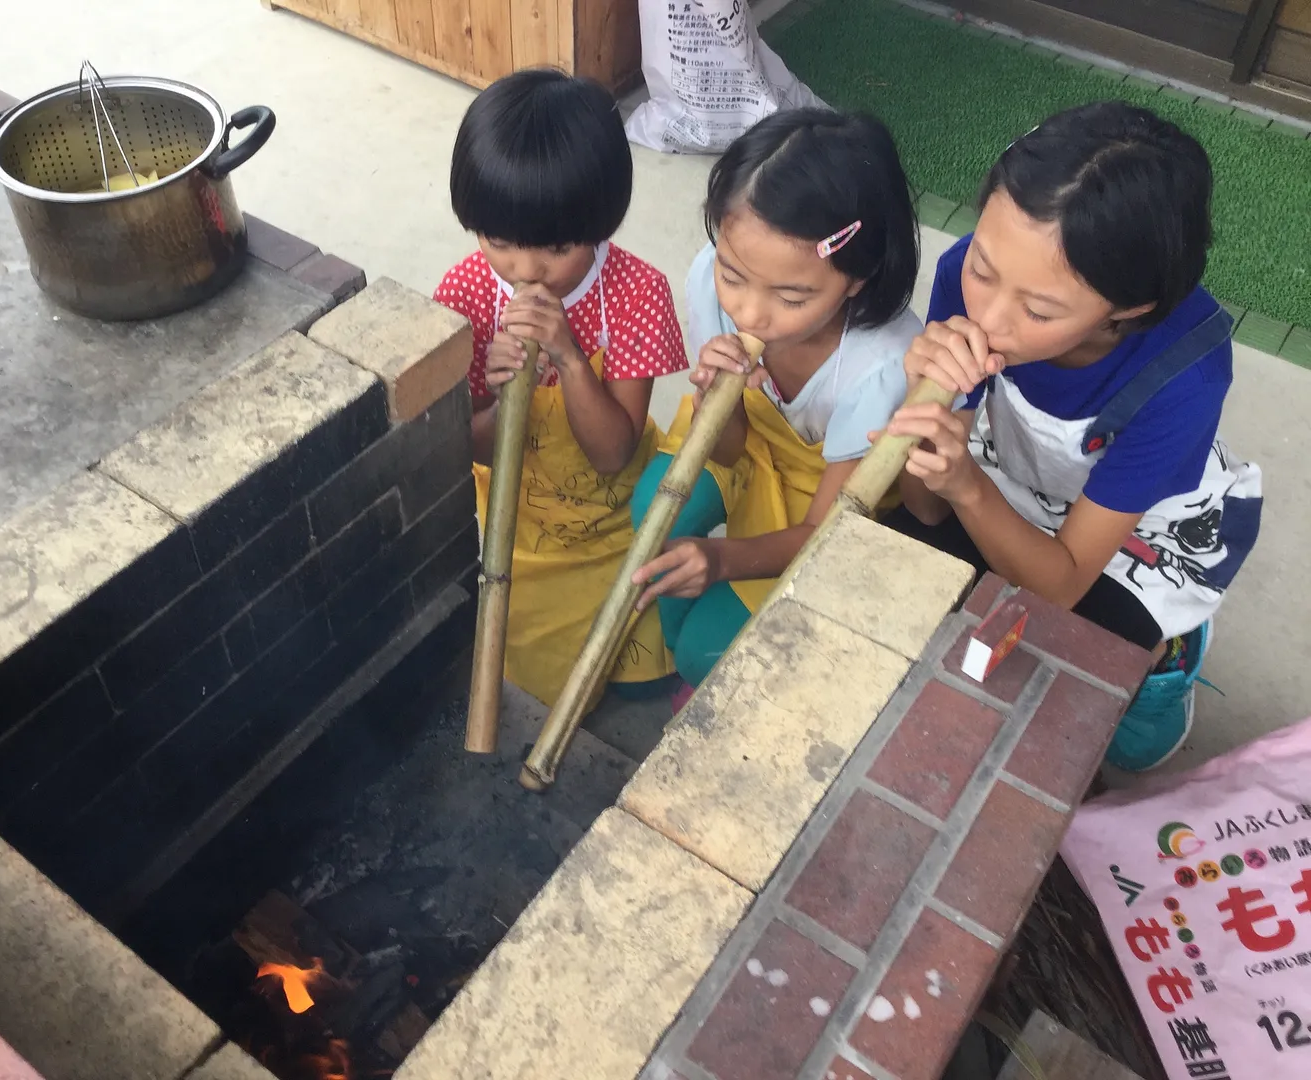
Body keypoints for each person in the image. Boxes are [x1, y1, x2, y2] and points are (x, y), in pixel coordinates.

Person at [881, 101, 1262, 772]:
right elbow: (925, 505)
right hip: (1010, 473)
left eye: (1039, 309)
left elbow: (1060, 585)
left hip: (1130, 533)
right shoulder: (965, 280)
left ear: (1128, 309)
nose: (990, 317)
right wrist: (925, 405)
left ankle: (1174, 649)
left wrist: (964, 483)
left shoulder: (1185, 377)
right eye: (984, 268)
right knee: (900, 579)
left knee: (1095, 714)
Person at [629, 108, 921, 698]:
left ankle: (700, 658)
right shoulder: (711, 279)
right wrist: (721, 397)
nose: (750, 314)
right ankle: (680, 651)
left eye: (791, 296)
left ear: (857, 278)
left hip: (826, 493)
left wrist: (720, 560)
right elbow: (732, 446)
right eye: (735, 276)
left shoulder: (883, 366)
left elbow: (827, 529)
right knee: (653, 515)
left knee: (709, 646)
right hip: (745, 437)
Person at [434, 69, 689, 707]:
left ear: (603, 221)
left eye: (554, 247)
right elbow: (470, 448)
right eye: (499, 242)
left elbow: (613, 454)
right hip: (514, 523)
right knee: (507, 653)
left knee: (646, 675)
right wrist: (495, 398)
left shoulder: (636, 293)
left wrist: (570, 359)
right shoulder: (464, 294)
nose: (525, 270)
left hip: (610, 519)